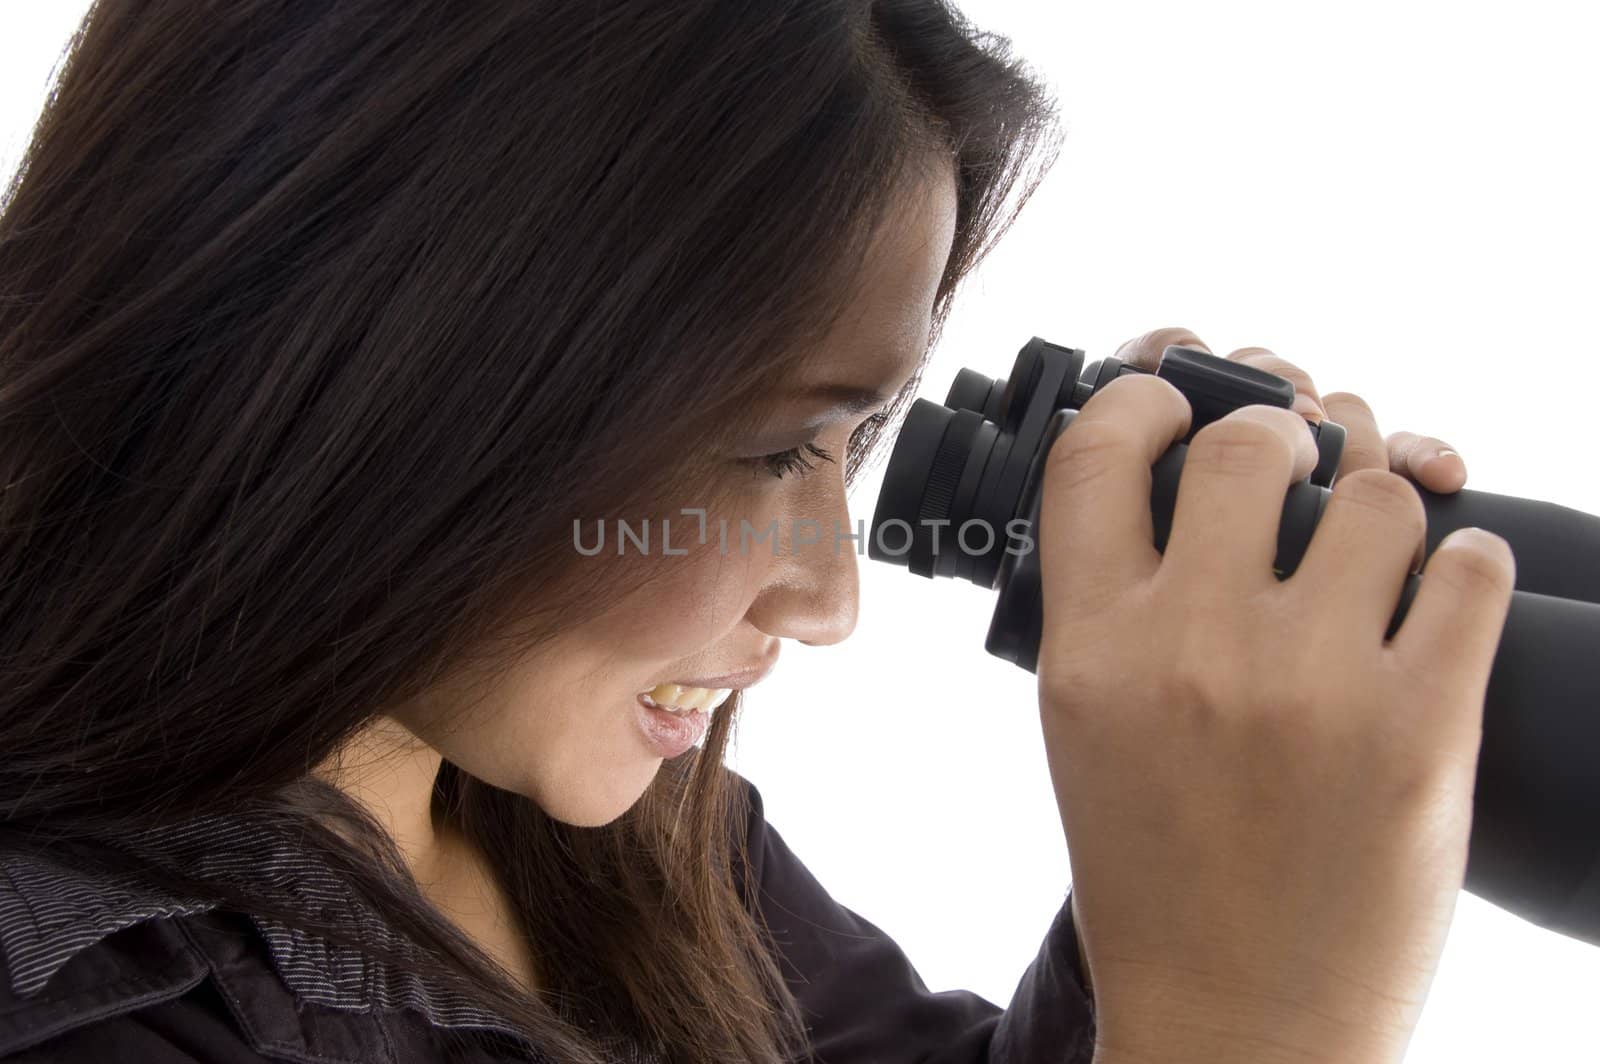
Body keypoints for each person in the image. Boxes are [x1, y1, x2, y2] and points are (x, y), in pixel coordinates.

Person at [0, 2, 1507, 1062]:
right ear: (393, 377)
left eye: (856, 442)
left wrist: (1236, 836)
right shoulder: (89, 1004)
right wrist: (1252, 1034)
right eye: (776, 442)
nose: (828, 599)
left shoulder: (597, 837)